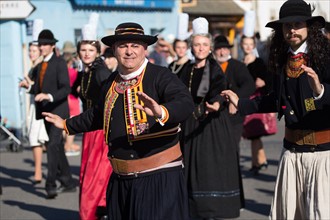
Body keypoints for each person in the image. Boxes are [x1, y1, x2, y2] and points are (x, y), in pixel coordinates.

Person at [43, 22, 194, 220]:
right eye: (123, 46)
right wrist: (66, 124)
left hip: (158, 177)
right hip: (120, 180)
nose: (129, 51)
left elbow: (185, 103)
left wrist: (162, 111)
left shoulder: (160, 75)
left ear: (144, 49)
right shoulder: (112, 81)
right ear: (114, 50)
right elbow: (97, 115)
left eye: (135, 46)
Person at [221, 0, 330, 219]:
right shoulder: (281, 60)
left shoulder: (326, 56)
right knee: (289, 213)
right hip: (291, 152)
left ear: (309, 27)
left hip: (322, 153)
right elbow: (274, 100)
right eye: (287, 26)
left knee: (320, 213)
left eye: (298, 24)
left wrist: (320, 90)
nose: (292, 30)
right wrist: (241, 103)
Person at [180, 17, 242, 219]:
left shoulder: (215, 69)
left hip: (211, 124)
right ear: (191, 47)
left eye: (204, 45)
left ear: (210, 48)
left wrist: (216, 103)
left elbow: (219, 89)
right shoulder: (186, 70)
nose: (200, 48)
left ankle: (211, 209)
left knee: (209, 168)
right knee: (190, 167)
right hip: (190, 124)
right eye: (197, 44)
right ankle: (193, 208)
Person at [19, 29, 76, 199]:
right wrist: (28, 87)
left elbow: (66, 88)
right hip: (45, 111)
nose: (42, 47)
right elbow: (38, 89)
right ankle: (67, 181)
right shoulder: (40, 65)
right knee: (56, 147)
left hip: (58, 111)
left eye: (45, 44)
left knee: (51, 146)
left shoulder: (59, 63)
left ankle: (50, 184)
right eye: (40, 44)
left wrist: (49, 96)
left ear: (52, 46)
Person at [70, 28, 113, 220]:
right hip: (90, 129)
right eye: (83, 50)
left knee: (96, 177)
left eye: (90, 50)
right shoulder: (87, 70)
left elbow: (110, 100)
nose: (86, 54)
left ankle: (94, 213)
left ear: (97, 52)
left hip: (100, 130)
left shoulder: (100, 72)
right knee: (88, 174)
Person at [240, 35, 276, 175]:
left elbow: (269, 80)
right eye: (245, 44)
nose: (248, 46)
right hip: (246, 99)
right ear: (241, 45)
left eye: (250, 44)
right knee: (251, 133)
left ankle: (260, 161)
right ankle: (258, 161)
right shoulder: (241, 63)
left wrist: (263, 83)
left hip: (257, 99)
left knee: (254, 133)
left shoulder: (259, 62)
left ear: (254, 45)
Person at [24, 42, 49, 184]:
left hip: (41, 106)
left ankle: (39, 171)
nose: (32, 53)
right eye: (30, 50)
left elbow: (40, 87)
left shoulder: (39, 67)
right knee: (38, 139)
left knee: (37, 138)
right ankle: (40, 171)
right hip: (35, 106)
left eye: (34, 50)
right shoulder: (33, 67)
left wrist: (28, 84)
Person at [62, 41, 81, 157]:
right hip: (73, 98)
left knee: (64, 122)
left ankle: (67, 145)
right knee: (73, 122)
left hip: (64, 98)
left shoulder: (61, 70)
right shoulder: (74, 72)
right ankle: (68, 146)